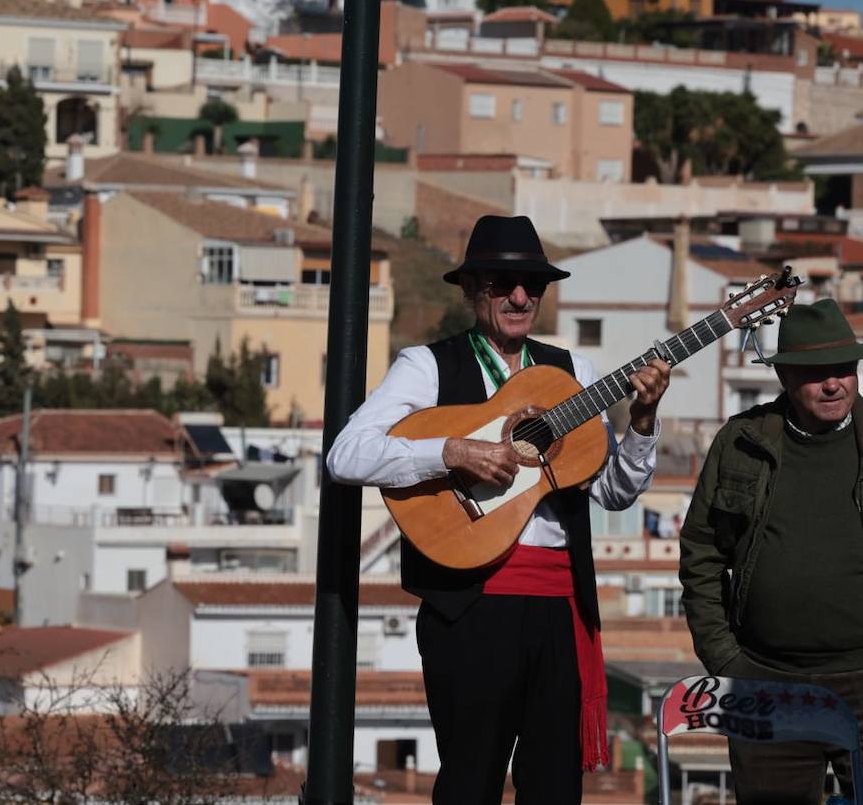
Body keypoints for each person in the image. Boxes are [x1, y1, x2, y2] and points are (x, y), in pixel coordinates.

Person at [326, 215, 670, 805]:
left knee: (556, 787)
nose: (519, 297)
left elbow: (613, 490)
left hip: (561, 606)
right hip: (470, 606)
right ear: (470, 289)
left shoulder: (573, 374)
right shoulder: (427, 365)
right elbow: (346, 456)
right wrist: (451, 452)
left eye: (532, 286)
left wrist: (641, 422)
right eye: (501, 283)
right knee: (469, 782)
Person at [680, 298, 863, 805]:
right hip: (767, 682)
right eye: (815, 373)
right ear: (785, 378)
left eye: (843, 370)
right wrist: (727, 661)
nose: (834, 384)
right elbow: (702, 554)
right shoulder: (741, 442)